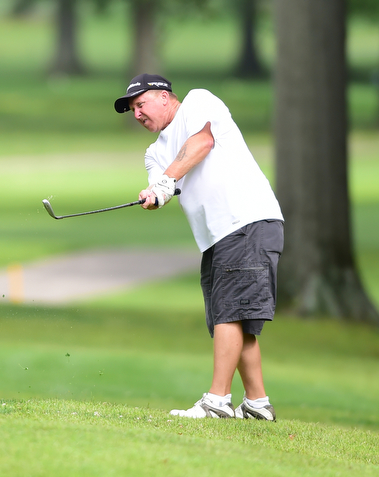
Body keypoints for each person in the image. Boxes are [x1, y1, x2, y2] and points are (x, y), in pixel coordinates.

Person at [114, 74, 284, 420]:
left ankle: (217, 402)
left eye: (140, 104)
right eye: (132, 109)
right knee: (236, 318)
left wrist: (165, 181)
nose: (136, 114)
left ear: (163, 96)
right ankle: (257, 403)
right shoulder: (154, 152)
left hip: (245, 220)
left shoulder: (198, 102)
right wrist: (154, 195)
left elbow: (201, 144)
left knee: (229, 314)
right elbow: (162, 185)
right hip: (216, 236)